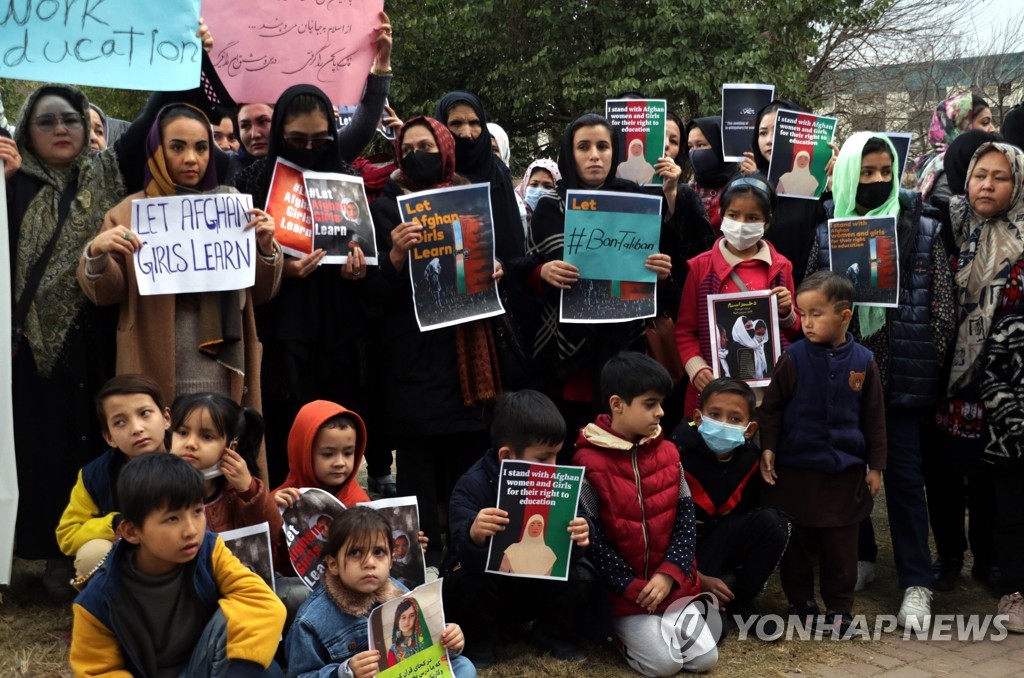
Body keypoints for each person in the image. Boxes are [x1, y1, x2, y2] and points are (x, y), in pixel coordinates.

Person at [77, 104, 283, 479]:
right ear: (156, 149)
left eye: (201, 148)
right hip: (154, 370)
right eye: (177, 147)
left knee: (227, 475)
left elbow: (263, 293)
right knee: (160, 482)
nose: (192, 158)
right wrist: (96, 253)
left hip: (225, 372)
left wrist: (267, 247)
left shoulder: (231, 204)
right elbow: (105, 293)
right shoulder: (128, 213)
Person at [805, 132, 955, 628]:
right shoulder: (829, 231)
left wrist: (926, 356)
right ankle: (863, 557)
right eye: (865, 172)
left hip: (902, 379)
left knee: (907, 481)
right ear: (849, 173)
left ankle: (916, 582)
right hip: (845, 375)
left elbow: (941, 306)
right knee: (852, 475)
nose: (876, 181)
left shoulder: (924, 226)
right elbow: (814, 296)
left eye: (883, 172)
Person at [232, 82, 385, 488]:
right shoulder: (251, 182)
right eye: (297, 140)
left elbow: (371, 263)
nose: (309, 148)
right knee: (286, 437)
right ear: (280, 132)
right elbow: (235, 269)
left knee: (336, 436)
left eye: (320, 140)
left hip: (341, 337)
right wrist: (281, 269)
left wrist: (359, 270)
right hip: (282, 337)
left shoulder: (347, 179)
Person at [369, 115, 504, 566]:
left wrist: (493, 269)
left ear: (445, 148)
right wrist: (393, 255)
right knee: (418, 468)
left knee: (467, 459)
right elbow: (370, 296)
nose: (416, 155)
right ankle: (420, 566)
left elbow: (490, 262)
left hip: (464, 359)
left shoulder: (469, 198)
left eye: (426, 146)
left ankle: (467, 559)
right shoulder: (386, 206)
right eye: (407, 149)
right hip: (411, 358)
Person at [523, 113, 673, 443]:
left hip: (624, 341)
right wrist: (542, 272)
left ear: (614, 152)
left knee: (619, 440)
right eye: (584, 146)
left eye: (603, 146)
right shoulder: (550, 205)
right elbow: (527, 274)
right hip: (567, 349)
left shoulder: (637, 202)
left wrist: (659, 272)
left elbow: (645, 273)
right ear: (569, 153)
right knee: (570, 440)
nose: (594, 155)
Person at [70, 453, 286, 676]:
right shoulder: (99, 600)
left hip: (208, 669)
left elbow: (262, 602)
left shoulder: (210, 552)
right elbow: (99, 671)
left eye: (197, 511)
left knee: (257, 654)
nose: (191, 530)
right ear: (132, 531)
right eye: (172, 519)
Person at [758, 271, 887, 634]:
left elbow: (874, 419)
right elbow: (771, 408)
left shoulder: (864, 362)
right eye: (802, 313)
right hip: (796, 472)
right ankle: (801, 601)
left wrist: (876, 466)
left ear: (845, 316)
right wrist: (768, 447)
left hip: (844, 475)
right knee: (797, 544)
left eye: (817, 314)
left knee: (841, 547)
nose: (807, 322)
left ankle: (840, 608)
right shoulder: (793, 357)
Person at [575, 353, 718, 676]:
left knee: (705, 660)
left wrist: (669, 574)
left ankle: (660, 626)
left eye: (662, 403)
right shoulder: (586, 463)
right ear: (617, 404)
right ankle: (620, 637)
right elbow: (591, 543)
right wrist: (631, 586)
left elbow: (685, 523)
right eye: (650, 404)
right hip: (623, 596)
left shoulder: (669, 454)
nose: (661, 413)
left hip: (673, 586)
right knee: (664, 665)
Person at [444, 390, 594, 668]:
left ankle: (552, 634)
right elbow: (456, 551)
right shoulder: (473, 484)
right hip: (492, 591)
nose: (552, 467)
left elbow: (578, 541)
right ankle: (481, 640)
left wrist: (583, 534)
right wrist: (473, 534)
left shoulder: (558, 482)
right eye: (543, 458)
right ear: (506, 456)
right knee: (464, 580)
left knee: (583, 574)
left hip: (539, 585)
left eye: (556, 457)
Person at [942, 141, 1024, 627]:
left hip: (1010, 382)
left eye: (1001, 177)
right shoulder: (950, 228)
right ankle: (953, 559)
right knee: (950, 474)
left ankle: (1007, 578)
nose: (988, 185)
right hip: (953, 376)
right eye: (980, 175)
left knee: (1009, 485)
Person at [285, 506, 475, 678]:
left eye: (378, 552)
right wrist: (344, 672)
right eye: (355, 553)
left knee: (463, 666)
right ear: (333, 564)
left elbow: (425, 645)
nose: (369, 563)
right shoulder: (311, 620)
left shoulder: (398, 591)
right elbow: (300, 675)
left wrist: (450, 641)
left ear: (391, 561)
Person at [675, 174, 800, 415]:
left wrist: (787, 313)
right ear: (721, 215)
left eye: (752, 218)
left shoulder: (781, 267)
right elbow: (685, 331)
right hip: (712, 395)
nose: (741, 224)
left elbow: (795, 332)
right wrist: (697, 370)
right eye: (733, 215)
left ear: (767, 222)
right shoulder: (700, 268)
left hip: (765, 399)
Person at [671, 377, 790, 628]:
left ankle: (740, 601)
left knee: (773, 523)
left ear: (750, 429)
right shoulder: (674, 454)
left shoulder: (749, 460)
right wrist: (698, 576)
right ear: (698, 416)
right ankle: (700, 593)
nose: (724, 424)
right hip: (678, 550)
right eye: (715, 414)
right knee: (712, 627)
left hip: (718, 541)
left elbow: (745, 515)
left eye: (735, 419)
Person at [57, 374, 171, 583]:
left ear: (165, 418)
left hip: (188, 546)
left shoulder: (193, 454)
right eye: (120, 422)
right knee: (92, 554)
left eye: (145, 413)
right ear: (109, 437)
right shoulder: (95, 475)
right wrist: (114, 522)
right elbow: (67, 535)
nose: (137, 428)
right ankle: (111, 609)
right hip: (132, 557)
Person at [169, 393, 284, 562]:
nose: (191, 443)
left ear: (231, 446)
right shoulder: (156, 484)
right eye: (183, 432)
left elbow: (272, 535)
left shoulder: (236, 490)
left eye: (207, 436)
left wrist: (249, 491)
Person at [739, 99, 826, 285]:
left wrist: (837, 184)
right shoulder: (746, 183)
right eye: (763, 133)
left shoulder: (817, 184)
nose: (769, 140)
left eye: (778, 131)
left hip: (808, 292)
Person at [435, 91, 525, 262]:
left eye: (474, 123)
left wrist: (504, 268)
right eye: (456, 123)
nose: (466, 133)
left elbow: (513, 246)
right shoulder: (430, 173)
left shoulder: (498, 174)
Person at [273, 400, 370, 510]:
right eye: (328, 454)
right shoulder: (283, 499)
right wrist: (271, 511)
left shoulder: (359, 504)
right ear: (304, 454)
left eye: (348, 453)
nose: (340, 463)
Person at [914, 91, 997, 203]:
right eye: (985, 122)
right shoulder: (947, 169)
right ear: (960, 127)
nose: (993, 129)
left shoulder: (971, 160)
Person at [685, 116, 740, 231]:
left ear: (719, 146)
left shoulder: (742, 187)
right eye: (690, 147)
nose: (694, 152)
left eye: (701, 145)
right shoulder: (688, 190)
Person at [387, 598, 431, 665]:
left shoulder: (424, 641)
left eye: (411, 616)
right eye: (403, 617)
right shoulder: (393, 651)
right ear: (397, 620)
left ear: (416, 617)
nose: (407, 622)